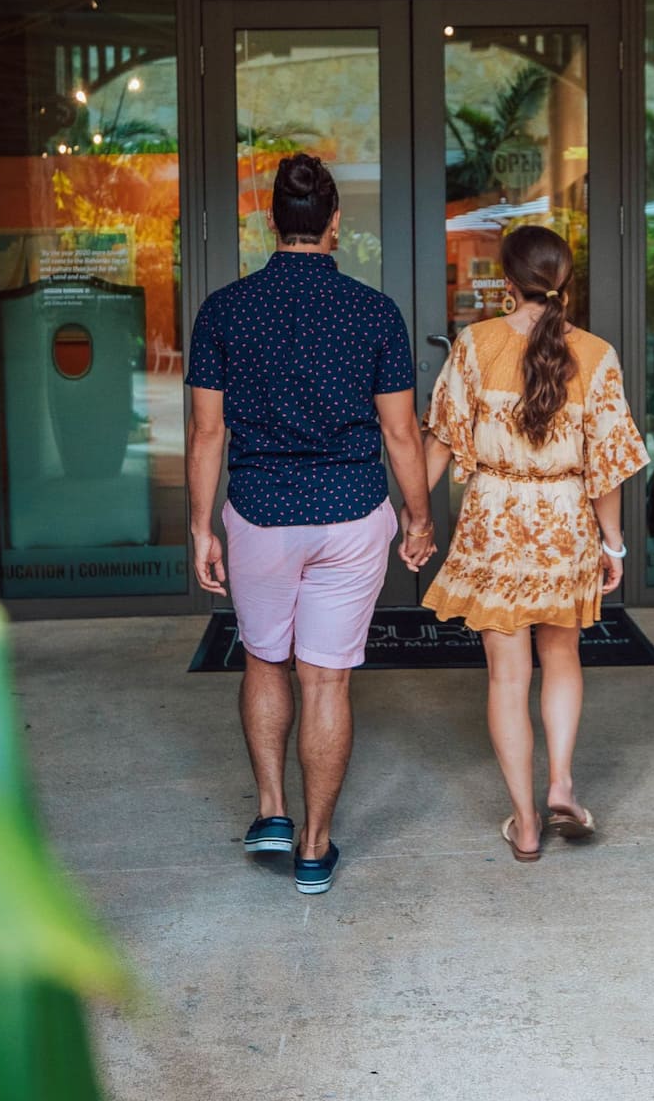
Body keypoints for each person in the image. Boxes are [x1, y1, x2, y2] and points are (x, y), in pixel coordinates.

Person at [186, 154, 436, 896]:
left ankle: (270, 811)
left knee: (266, 661)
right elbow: (401, 436)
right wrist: (419, 518)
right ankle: (314, 847)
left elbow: (206, 434)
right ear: (333, 224)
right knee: (325, 681)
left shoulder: (224, 310)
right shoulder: (374, 312)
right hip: (353, 515)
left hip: (261, 515)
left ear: (272, 222)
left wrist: (201, 528)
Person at [420, 225, 647, 862]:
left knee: (507, 677)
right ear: (564, 279)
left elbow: (439, 440)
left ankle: (524, 823)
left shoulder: (475, 345)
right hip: (564, 522)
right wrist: (614, 544)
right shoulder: (597, 355)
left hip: (494, 521)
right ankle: (563, 784)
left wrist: (413, 517)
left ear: (507, 280)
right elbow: (608, 468)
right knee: (563, 657)